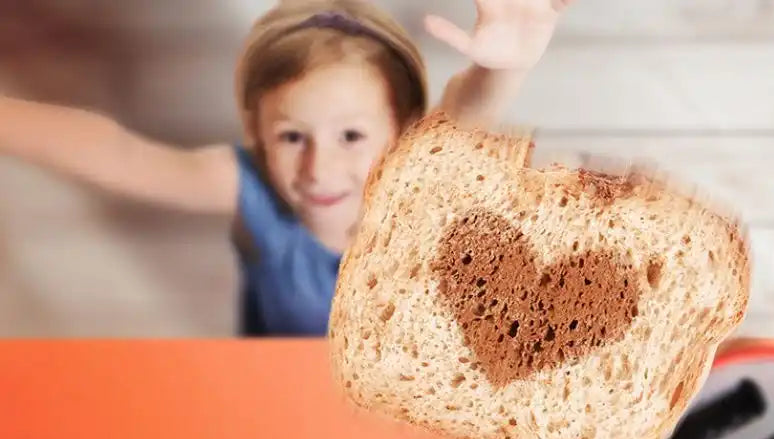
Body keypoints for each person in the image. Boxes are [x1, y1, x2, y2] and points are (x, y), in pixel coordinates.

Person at [0, 0, 573, 336]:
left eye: (351, 136)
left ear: (402, 133)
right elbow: (118, 154)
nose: (319, 170)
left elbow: (469, 113)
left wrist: (503, 69)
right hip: (279, 414)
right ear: (256, 134)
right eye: (292, 137)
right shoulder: (253, 188)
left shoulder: (418, 182)